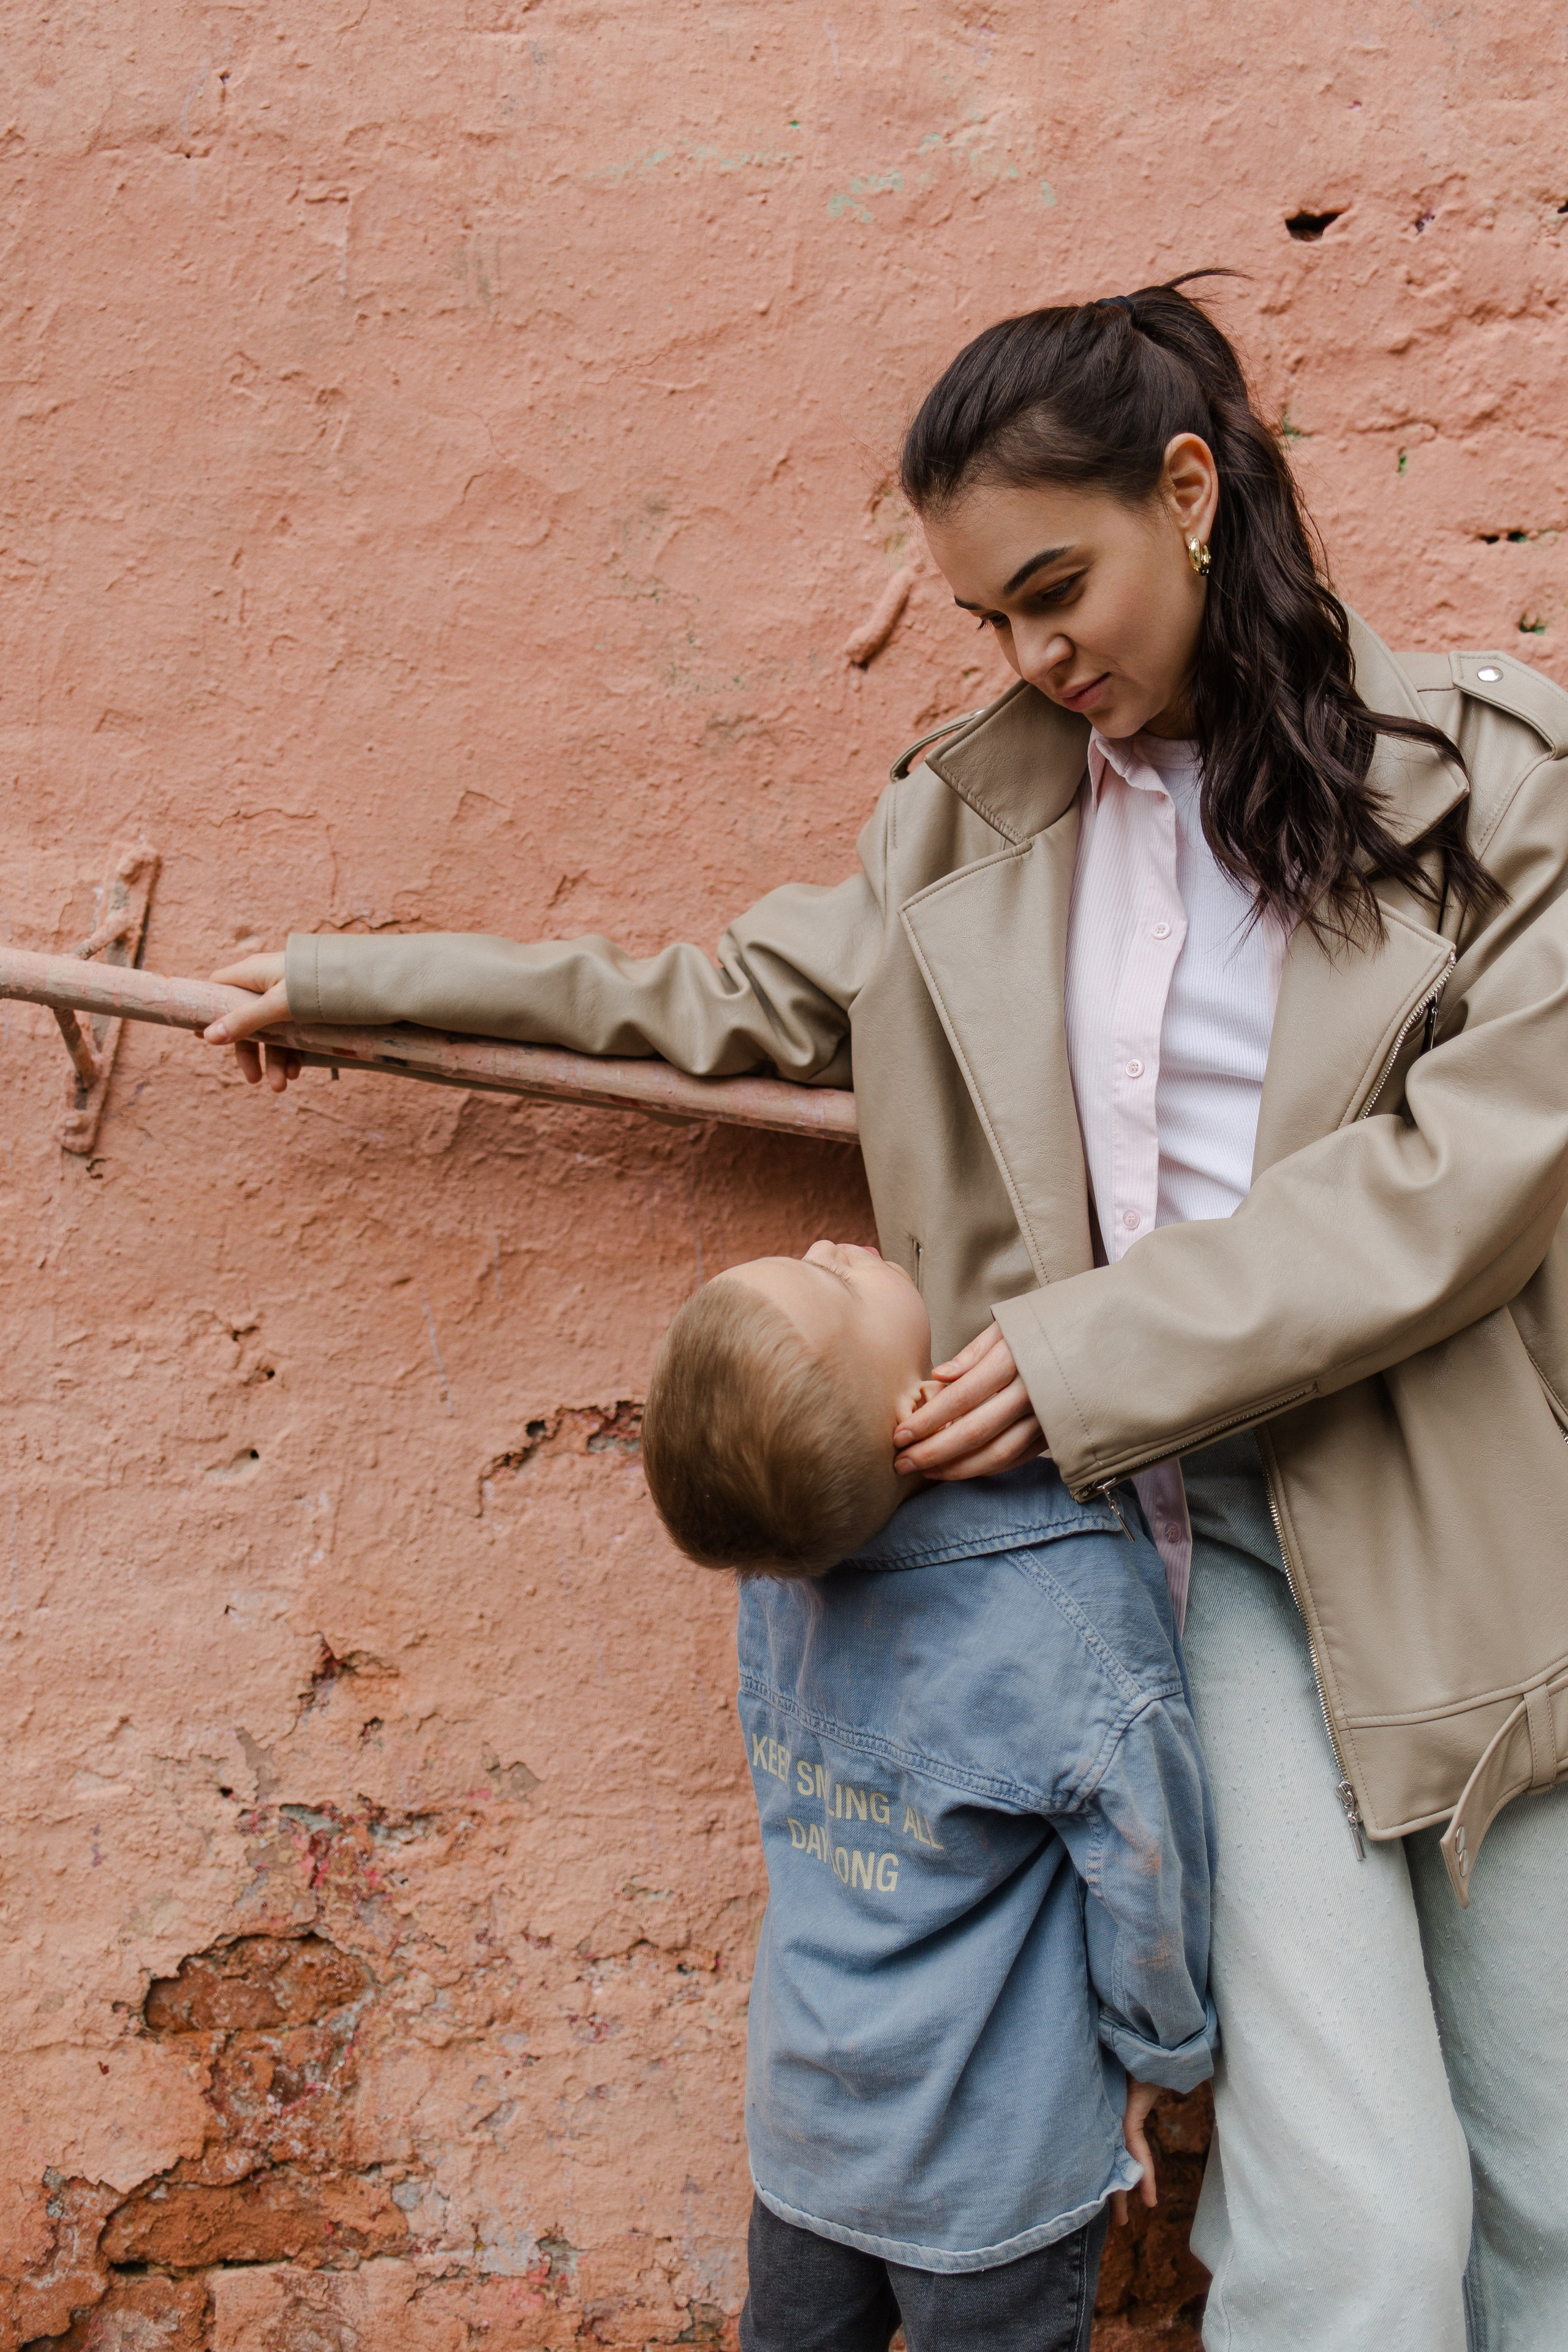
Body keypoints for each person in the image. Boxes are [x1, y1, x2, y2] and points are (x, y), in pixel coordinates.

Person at [203, 276, 1568, 2350]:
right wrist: (356, 990)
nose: (1034, 658)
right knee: (1357, 2238)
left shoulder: (1503, 785)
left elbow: (1467, 1184)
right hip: (1181, 1558)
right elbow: (708, 1002)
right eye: (985, 621)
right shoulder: (973, 819)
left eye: (1056, 589)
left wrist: (1080, 1351)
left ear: (1189, 491)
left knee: (1552, 2192)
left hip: (1471, 1544)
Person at [638, 1233, 1216, 2352]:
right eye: (834, 1280)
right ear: (916, 1408)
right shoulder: (1067, 1594)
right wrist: (1157, 2054)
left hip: (810, 2124)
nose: (831, 1244)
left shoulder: (782, 1576)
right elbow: (1149, 1861)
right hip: (989, 2172)